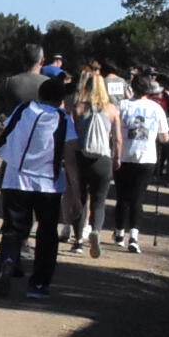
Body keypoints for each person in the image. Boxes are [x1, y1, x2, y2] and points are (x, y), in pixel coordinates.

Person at [0, 72, 70, 298]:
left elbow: (7, 132)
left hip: (14, 180)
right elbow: (71, 155)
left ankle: (8, 259)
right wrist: (74, 188)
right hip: (48, 184)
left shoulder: (24, 109)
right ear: (61, 100)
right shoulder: (63, 119)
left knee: (13, 228)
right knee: (47, 233)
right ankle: (38, 285)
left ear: (39, 94)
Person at [66, 64, 125, 256]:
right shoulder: (112, 109)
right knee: (99, 201)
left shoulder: (79, 107)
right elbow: (117, 138)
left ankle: (78, 241)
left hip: (82, 156)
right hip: (103, 159)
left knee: (80, 198)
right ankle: (96, 232)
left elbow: (74, 135)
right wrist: (117, 158)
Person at [114, 79, 169, 252]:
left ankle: (119, 232)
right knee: (138, 197)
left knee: (122, 196)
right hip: (146, 158)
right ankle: (134, 236)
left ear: (132, 89)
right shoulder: (156, 108)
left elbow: (113, 129)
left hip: (123, 155)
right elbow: (164, 137)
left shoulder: (122, 105)